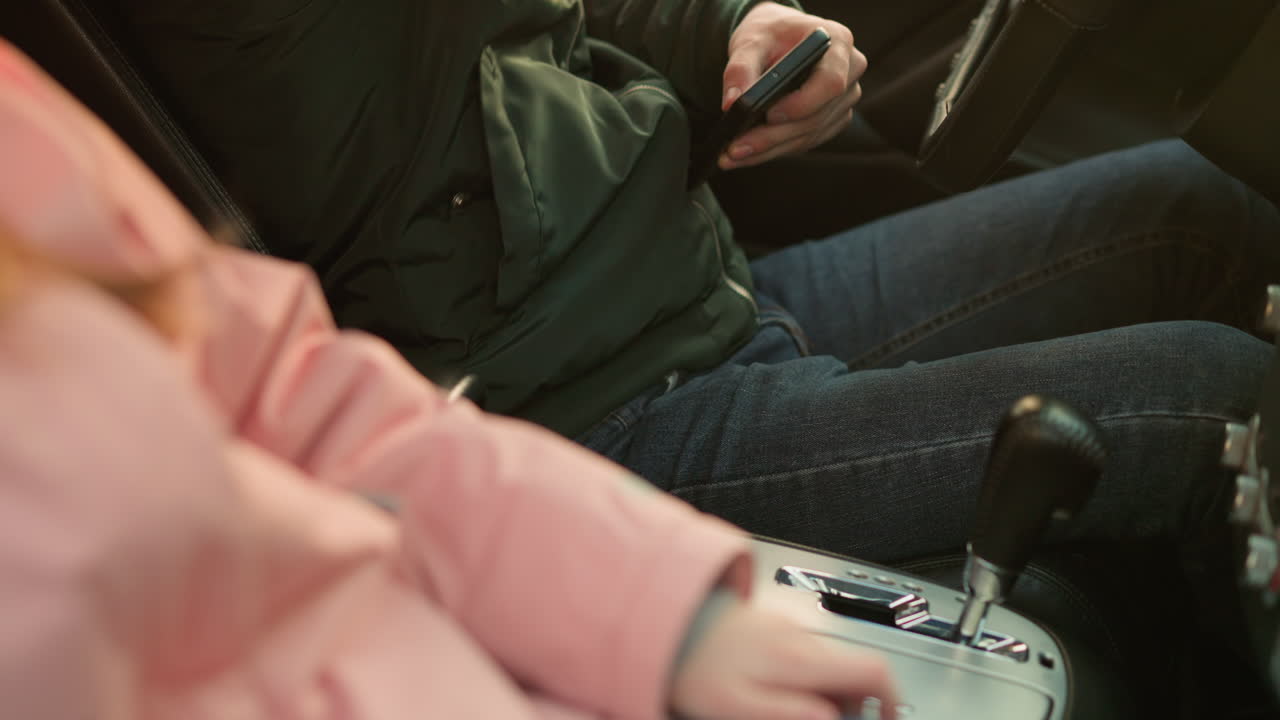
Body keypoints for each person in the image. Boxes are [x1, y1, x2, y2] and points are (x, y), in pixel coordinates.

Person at [106, 0, 1280, 565]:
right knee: (1227, 409)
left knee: (1199, 208)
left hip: (688, 285)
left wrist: (729, 33)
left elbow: (550, 22)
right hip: (582, 414)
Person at [0, 40, 901, 720]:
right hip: (596, 389)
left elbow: (311, 402)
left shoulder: (18, 131)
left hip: (674, 313)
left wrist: (648, 610)